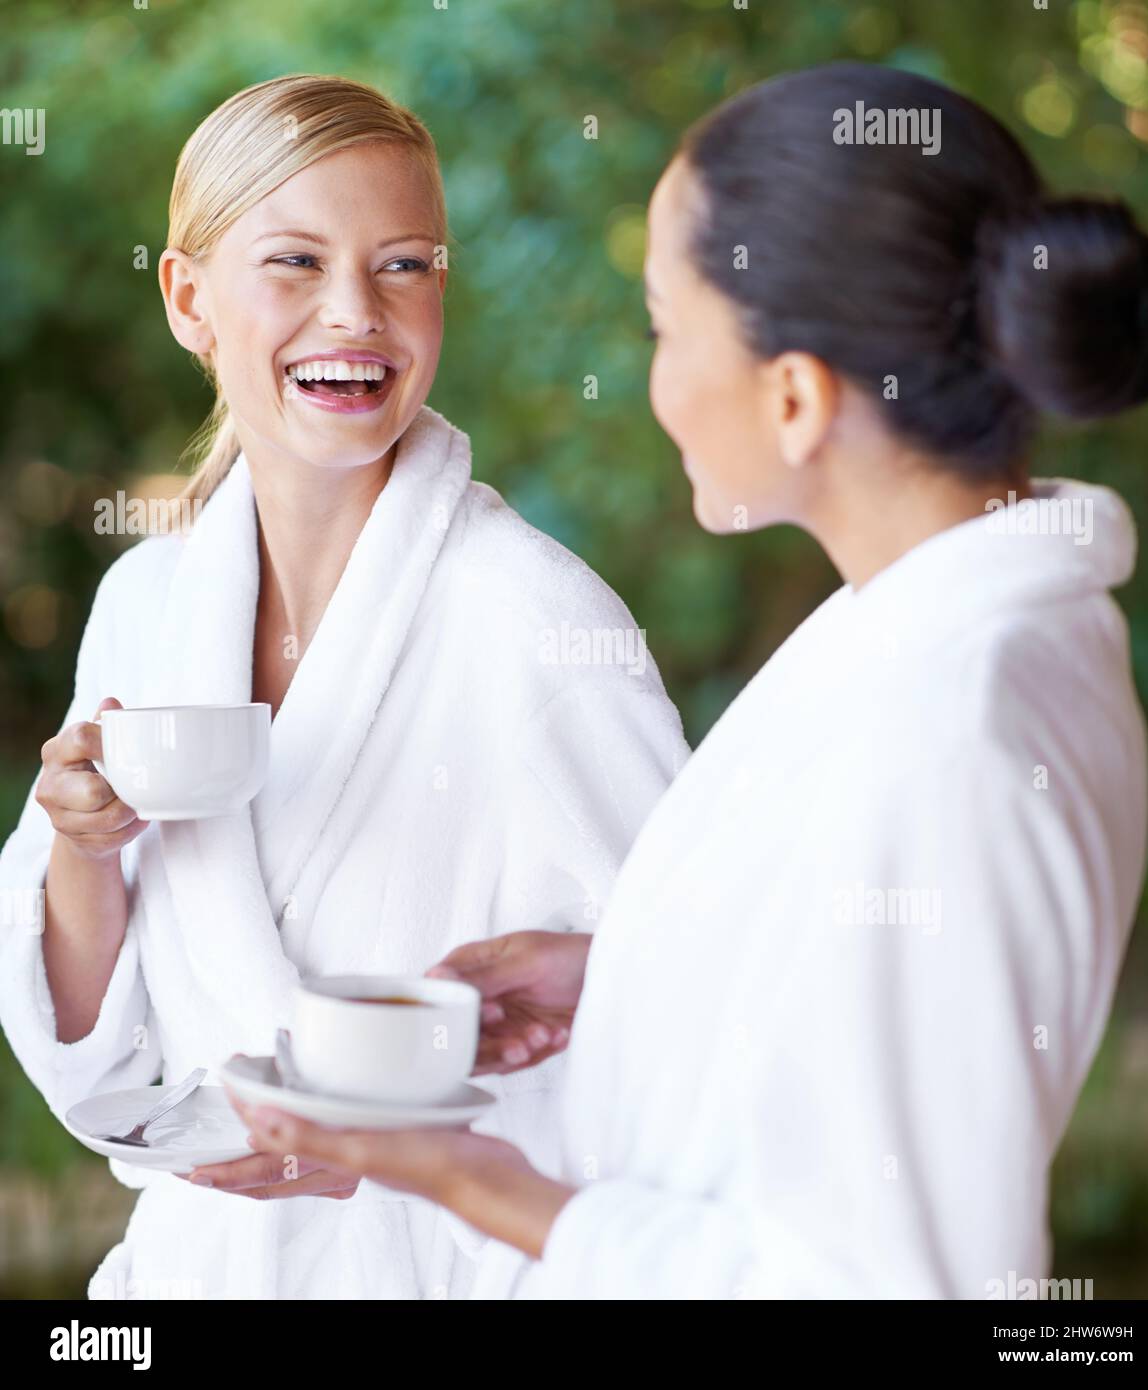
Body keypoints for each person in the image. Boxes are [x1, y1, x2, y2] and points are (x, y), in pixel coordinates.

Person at [236, 63, 1148, 1297]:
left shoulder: (956, 724)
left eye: (663, 329)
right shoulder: (918, 634)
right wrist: (637, 965)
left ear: (793, 396)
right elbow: (855, 994)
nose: (655, 383)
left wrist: (463, 1175)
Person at [0, 73, 688, 1300]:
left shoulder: (534, 615)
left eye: (406, 264)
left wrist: (411, 1143)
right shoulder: (148, 606)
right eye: (295, 262)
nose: (355, 314)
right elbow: (99, 1059)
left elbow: (704, 991)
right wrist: (82, 849)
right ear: (186, 296)